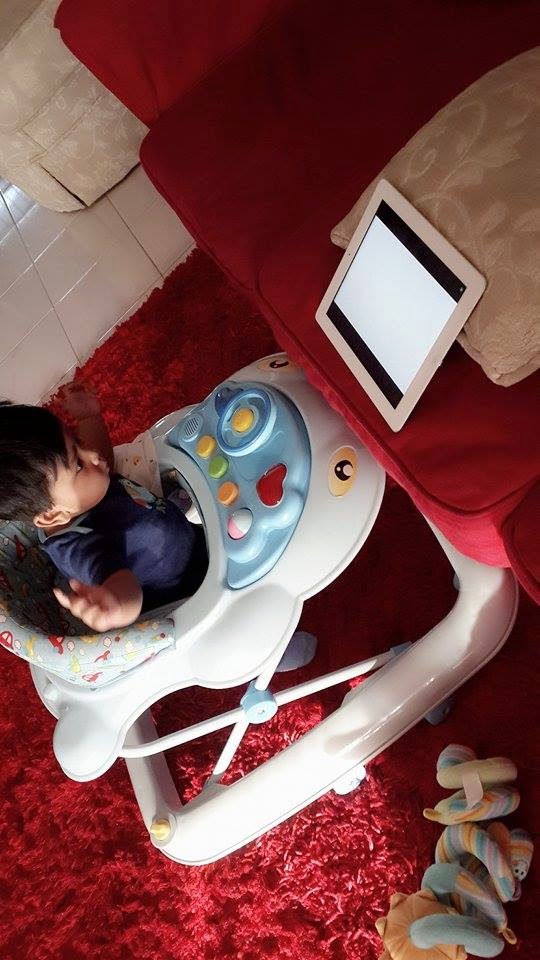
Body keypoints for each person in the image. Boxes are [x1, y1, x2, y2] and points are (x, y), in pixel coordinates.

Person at [0, 384, 207, 632]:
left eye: (77, 440)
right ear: (52, 515)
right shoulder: (80, 548)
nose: (92, 455)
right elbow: (123, 584)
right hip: (187, 584)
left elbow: (101, 456)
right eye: (78, 464)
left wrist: (88, 418)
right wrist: (114, 607)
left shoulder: (75, 495)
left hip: (188, 534)